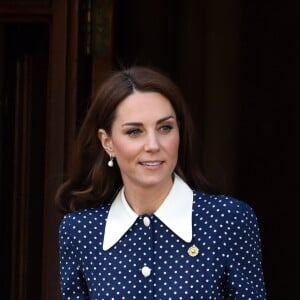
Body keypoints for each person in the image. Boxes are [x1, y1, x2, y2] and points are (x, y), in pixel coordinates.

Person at [56, 66, 266, 299]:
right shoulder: (80, 231)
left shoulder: (228, 220)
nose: (153, 145)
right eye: (135, 131)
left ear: (179, 132)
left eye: (165, 128)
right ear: (108, 143)